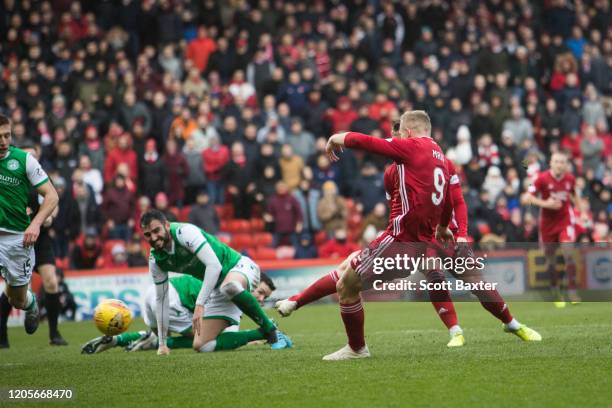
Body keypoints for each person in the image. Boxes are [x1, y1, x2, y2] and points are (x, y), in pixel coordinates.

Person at [276, 111, 538, 360]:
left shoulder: (414, 148)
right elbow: (437, 201)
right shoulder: (436, 158)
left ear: (407, 132)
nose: (396, 140)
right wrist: (445, 225)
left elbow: (368, 143)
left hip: (407, 240)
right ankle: (459, 330)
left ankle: (355, 347)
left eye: (399, 134)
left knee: (349, 282)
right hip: (424, 237)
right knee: (354, 270)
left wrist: (337, 137)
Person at [138, 210, 290, 355]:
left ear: (167, 225)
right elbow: (161, 299)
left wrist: (200, 304)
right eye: (147, 234)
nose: (153, 237)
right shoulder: (155, 260)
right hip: (219, 288)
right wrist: (162, 344)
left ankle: (272, 332)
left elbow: (214, 266)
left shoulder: (184, 232)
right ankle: (260, 333)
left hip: (238, 267)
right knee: (201, 345)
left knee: (229, 286)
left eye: (156, 230)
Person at [81, 274, 288, 353]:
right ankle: (146, 341)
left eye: (264, 296)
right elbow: (224, 339)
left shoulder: (228, 280)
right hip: (173, 300)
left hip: (156, 292)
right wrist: (254, 335)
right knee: (207, 342)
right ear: (252, 282)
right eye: (260, 292)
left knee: (192, 337)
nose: (260, 299)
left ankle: (119, 339)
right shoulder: (232, 296)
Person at [0, 144, 67, 347]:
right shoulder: (12, 179)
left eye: (34, 157)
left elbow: (53, 205)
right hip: (15, 237)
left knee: (51, 282)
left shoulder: (41, 181)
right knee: (11, 294)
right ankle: (2, 337)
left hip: (40, 239)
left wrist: (44, 220)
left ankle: (54, 334)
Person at [522, 151, 579, 306]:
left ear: (566, 164)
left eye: (562, 162)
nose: (560, 164)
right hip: (547, 224)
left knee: (568, 253)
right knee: (551, 260)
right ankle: (555, 289)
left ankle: (572, 291)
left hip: (565, 220)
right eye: (557, 161)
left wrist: (581, 211)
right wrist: (546, 204)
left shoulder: (570, 179)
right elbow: (527, 198)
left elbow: (574, 195)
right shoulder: (541, 178)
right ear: (551, 163)